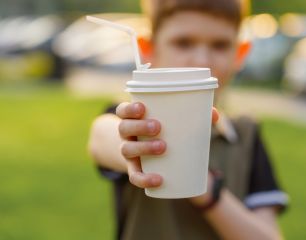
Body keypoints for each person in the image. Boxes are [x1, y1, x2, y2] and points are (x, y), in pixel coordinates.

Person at [88, 0, 289, 239]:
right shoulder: (135, 118)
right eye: (183, 43)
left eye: (220, 45)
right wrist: (132, 146)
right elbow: (102, 136)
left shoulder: (245, 135)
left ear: (240, 53)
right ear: (147, 48)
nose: (202, 60)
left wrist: (205, 188)